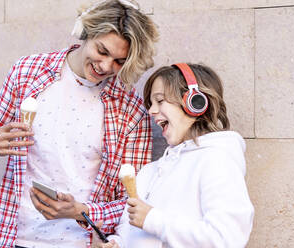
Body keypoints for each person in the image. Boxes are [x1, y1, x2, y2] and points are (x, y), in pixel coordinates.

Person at [0, 0, 159, 247]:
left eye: (119, 61)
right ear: (85, 32)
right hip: (14, 237)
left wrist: (79, 211)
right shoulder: (27, 72)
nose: (106, 66)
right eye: (102, 51)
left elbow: (133, 202)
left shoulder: (131, 110)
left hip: (81, 242)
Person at [92, 63, 254, 248]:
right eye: (151, 104)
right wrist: (116, 243)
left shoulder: (216, 160)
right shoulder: (149, 172)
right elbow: (133, 233)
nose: (151, 111)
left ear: (195, 102)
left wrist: (153, 219)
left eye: (160, 101)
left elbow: (226, 239)